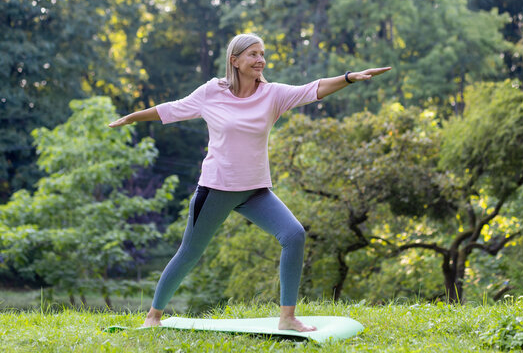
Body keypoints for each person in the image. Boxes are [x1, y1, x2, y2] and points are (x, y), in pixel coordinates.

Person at [109, 33, 391, 332]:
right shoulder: (212, 91)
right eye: (253, 54)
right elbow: (172, 109)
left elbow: (314, 88)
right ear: (235, 60)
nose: (260, 60)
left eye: (262, 54)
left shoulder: (273, 95)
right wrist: (132, 117)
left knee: (293, 235)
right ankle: (153, 316)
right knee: (190, 253)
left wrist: (348, 77)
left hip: (255, 190)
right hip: (216, 189)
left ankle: (287, 317)